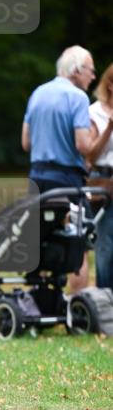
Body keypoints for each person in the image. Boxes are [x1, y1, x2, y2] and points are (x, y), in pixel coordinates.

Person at [21, 45, 113, 292]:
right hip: (67, 180)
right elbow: (83, 145)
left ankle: (37, 300)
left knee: (41, 238)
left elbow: (26, 143)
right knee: (77, 242)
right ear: (76, 70)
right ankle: (78, 305)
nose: (93, 77)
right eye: (90, 71)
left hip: (37, 177)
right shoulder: (77, 97)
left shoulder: (38, 93)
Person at [87, 62, 113, 290]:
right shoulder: (94, 112)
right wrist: (109, 128)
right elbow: (91, 155)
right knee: (106, 245)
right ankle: (106, 299)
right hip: (104, 184)